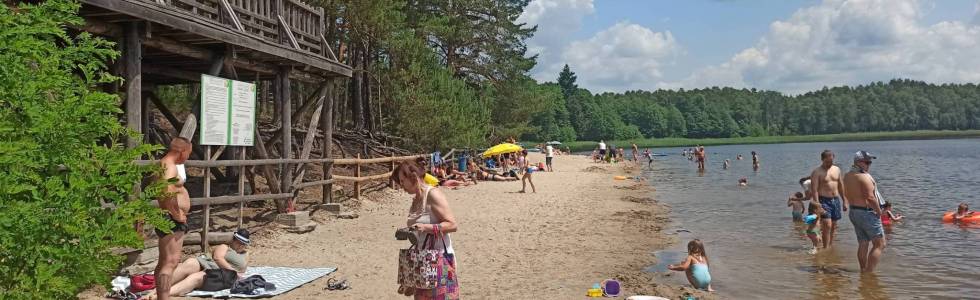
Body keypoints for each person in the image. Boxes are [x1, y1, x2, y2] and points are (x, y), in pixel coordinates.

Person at [391, 160, 460, 299]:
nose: (401, 186)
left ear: (413, 177)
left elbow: (452, 225)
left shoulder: (433, 194)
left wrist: (426, 227)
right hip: (422, 264)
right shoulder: (416, 199)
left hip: (441, 262)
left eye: (402, 181)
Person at [143, 229, 251, 299]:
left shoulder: (245, 255)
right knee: (189, 264)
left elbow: (243, 269)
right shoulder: (225, 247)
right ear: (233, 239)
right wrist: (233, 270)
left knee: (196, 277)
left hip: (224, 273)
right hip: (209, 264)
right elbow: (218, 258)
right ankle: (155, 291)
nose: (240, 244)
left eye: (243, 243)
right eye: (238, 241)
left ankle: (159, 295)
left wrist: (235, 272)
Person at [154, 138, 193, 300]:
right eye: (188, 154)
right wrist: (177, 214)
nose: (187, 157)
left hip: (167, 217)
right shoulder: (169, 166)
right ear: (182, 151)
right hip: (171, 219)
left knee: (164, 261)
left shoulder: (164, 164)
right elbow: (167, 189)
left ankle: (160, 296)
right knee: (171, 262)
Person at [843, 150, 885, 273]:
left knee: (863, 242)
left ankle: (863, 270)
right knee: (880, 244)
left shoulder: (847, 175)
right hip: (866, 212)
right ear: (858, 162)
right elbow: (870, 198)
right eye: (867, 162)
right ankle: (869, 273)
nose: (869, 164)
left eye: (870, 162)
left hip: (854, 212)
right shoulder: (864, 177)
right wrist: (878, 211)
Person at [809, 150, 847, 249]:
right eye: (827, 161)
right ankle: (825, 248)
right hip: (823, 200)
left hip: (835, 200)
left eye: (831, 161)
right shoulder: (817, 172)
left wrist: (844, 201)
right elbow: (814, 189)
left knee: (834, 226)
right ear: (822, 159)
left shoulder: (837, 169)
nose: (829, 163)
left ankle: (829, 246)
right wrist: (817, 204)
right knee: (827, 224)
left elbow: (841, 185)